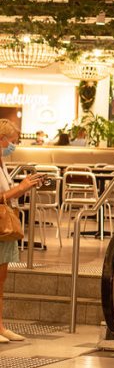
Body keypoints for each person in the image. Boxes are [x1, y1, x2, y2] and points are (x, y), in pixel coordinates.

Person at [0, 120, 44, 344]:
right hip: (1, 224)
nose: (13, 146)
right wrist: (20, 188)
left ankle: (1, 326)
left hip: (5, 227)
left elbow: (7, 192)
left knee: (2, 276)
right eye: (12, 141)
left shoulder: (2, 162)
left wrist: (23, 186)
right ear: (2, 139)